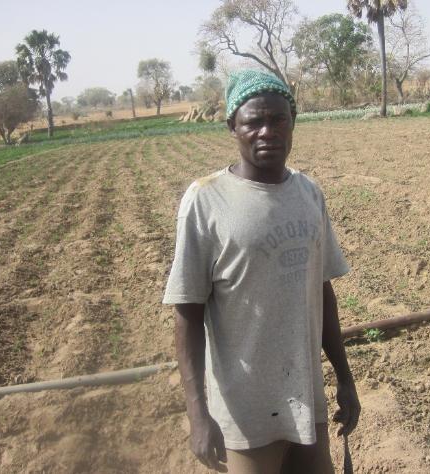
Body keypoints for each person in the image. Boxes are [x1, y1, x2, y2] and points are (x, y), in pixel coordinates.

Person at [163, 69, 360, 474]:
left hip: (306, 401)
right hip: (244, 415)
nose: (267, 131)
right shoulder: (206, 201)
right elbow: (188, 313)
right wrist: (197, 414)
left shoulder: (308, 194)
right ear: (232, 127)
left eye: (278, 119)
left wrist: (345, 377)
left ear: (293, 122)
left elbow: (322, 292)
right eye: (254, 122)